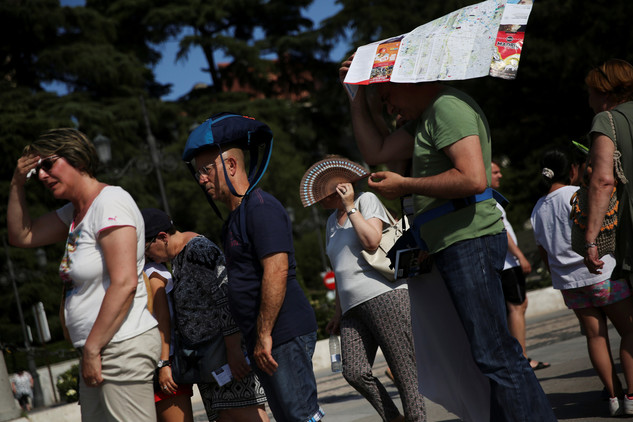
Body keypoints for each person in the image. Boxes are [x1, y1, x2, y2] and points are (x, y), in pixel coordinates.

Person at [339, 57, 556, 421]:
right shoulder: (429, 115)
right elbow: (376, 151)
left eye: (388, 94)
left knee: (494, 354)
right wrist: (357, 95)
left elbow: (473, 179)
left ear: (409, 80)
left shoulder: (446, 107)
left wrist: (405, 185)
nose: (389, 106)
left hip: (467, 239)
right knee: (487, 355)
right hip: (452, 242)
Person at [7, 128, 160, 422]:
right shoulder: (74, 213)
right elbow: (21, 235)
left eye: (48, 165)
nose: (41, 175)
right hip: (101, 349)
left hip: (119, 347)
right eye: (37, 170)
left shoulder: (110, 202)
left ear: (75, 157)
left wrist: (92, 348)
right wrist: (17, 183)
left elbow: (125, 282)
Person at [184, 114, 323, 422]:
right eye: (197, 174)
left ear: (231, 166)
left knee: (301, 416)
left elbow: (277, 271)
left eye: (206, 170)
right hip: (268, 338)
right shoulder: (235, 218)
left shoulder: (261, 207)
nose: (201, 179)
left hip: (282, 334)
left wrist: (263, 335)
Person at [302, 157, 426, 422]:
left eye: (323, 191)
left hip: (384, 296)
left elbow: (372, 241)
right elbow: (338, 270)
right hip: (352, 307)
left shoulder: (365, 201)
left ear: (339, 185)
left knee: (404, 372)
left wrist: (350, 207)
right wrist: (338, 312)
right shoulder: (329, 223)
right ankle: (394, 417)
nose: (319, 199)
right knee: (355, 371)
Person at [531, 148, 633, 416]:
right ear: (573, 170)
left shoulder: (538, 208)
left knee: (595, 337)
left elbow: (543, 251)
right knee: (630, 331)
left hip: (569, 283)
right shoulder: (577, 195)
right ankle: (632, 396)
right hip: (602, 274)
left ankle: (613, 398)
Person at [142, 208, 269, 422]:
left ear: (162, 237)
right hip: (211, 360)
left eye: (146, 249)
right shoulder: (179, 257)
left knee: (243, 413)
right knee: (226, 415)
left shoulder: (197, 250)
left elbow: (226, 296)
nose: (147, 256)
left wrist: (233, 349)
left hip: (226, 355)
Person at [490, 158, 550, 371]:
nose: (500, 175)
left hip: (508, 262)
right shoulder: (488, 200)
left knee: (518, 306)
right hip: (507, 263)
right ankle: (522, 357)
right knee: (516, 307)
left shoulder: (491, 199)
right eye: (495, 172)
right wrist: (520, 256)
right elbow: (502, 231)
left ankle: (520, 356)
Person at [143, 258, 194, 422]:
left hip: (164, 360)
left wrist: (164, 363)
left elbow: (163, 318)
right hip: (153, 361)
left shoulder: (151, 271)